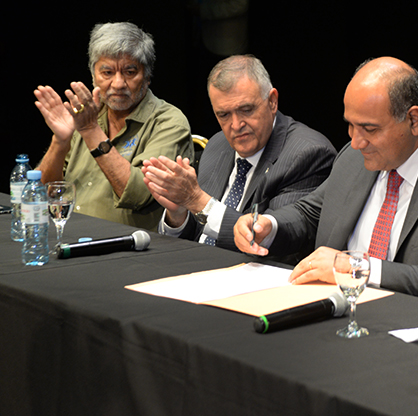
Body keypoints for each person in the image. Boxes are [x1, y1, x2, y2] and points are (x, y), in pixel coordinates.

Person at [233, 57, 418, 314]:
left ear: (414, 120)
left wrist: (357, 268)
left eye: (369, 129)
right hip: (339, 315)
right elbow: (312, 213)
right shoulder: (356, 156)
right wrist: (269, 226)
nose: (356, 142)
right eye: (350, 125)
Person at [141, 55, 336, 253]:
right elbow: (198, 229)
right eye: (224, 115)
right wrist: (178, 213)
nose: (236, 125)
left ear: (272, 101)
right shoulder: (218, 144)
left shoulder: (306, 154)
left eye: (246, 110)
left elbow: (274, 242)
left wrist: (196, 200)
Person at [33, 22, 193, 231]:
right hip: (68, 237)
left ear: (147, 76)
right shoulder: (86, 115)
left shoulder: (168, 121)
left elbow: (138, 194)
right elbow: (40, 195)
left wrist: (91, 131)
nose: (118, 84)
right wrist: (60, 141)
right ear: (93, 75)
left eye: (130, 72)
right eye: (107, 72)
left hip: (127, 245)